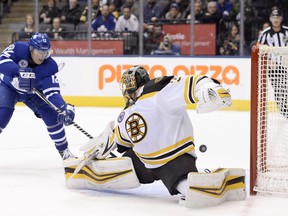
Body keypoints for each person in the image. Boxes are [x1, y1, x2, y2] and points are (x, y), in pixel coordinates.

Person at [64, 66, 246, 207]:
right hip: (146, 163)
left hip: (173, 160)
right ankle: (98, 172)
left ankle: (199, 183)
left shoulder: (158, 91)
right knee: (126, 162)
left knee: (184, 185)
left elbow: (192, 83)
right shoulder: (127, 113)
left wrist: (207, 87)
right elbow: (119, 139)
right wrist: (102, 145)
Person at [0, 32, 76, 160]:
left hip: (32, 93)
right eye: (39, 52)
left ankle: (65, 152)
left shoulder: (50, 66)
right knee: (3, 114)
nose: (42, 56)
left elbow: (52, 92)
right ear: (31, 49)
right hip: (9, 88)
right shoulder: (18, 48)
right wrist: (18, 72)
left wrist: (63, 108)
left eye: (45, 52)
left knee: (53, 115)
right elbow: (2, 61)